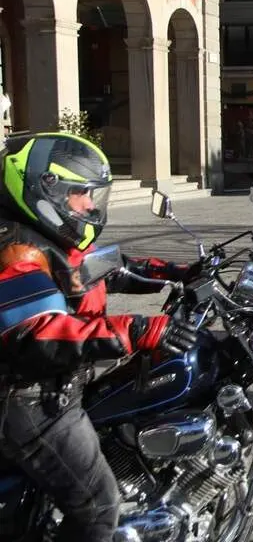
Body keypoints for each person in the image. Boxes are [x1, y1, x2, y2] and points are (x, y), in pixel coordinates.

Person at [0, 133, 198, 542]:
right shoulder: (16, 252)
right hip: (29, 400)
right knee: (99, 506)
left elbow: (104, 268)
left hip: (59, 385)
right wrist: (134, 330)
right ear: (44, 187)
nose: (91, 205)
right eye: (81, 195)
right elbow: (40, 335)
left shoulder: (49, 240)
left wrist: (176, 273)